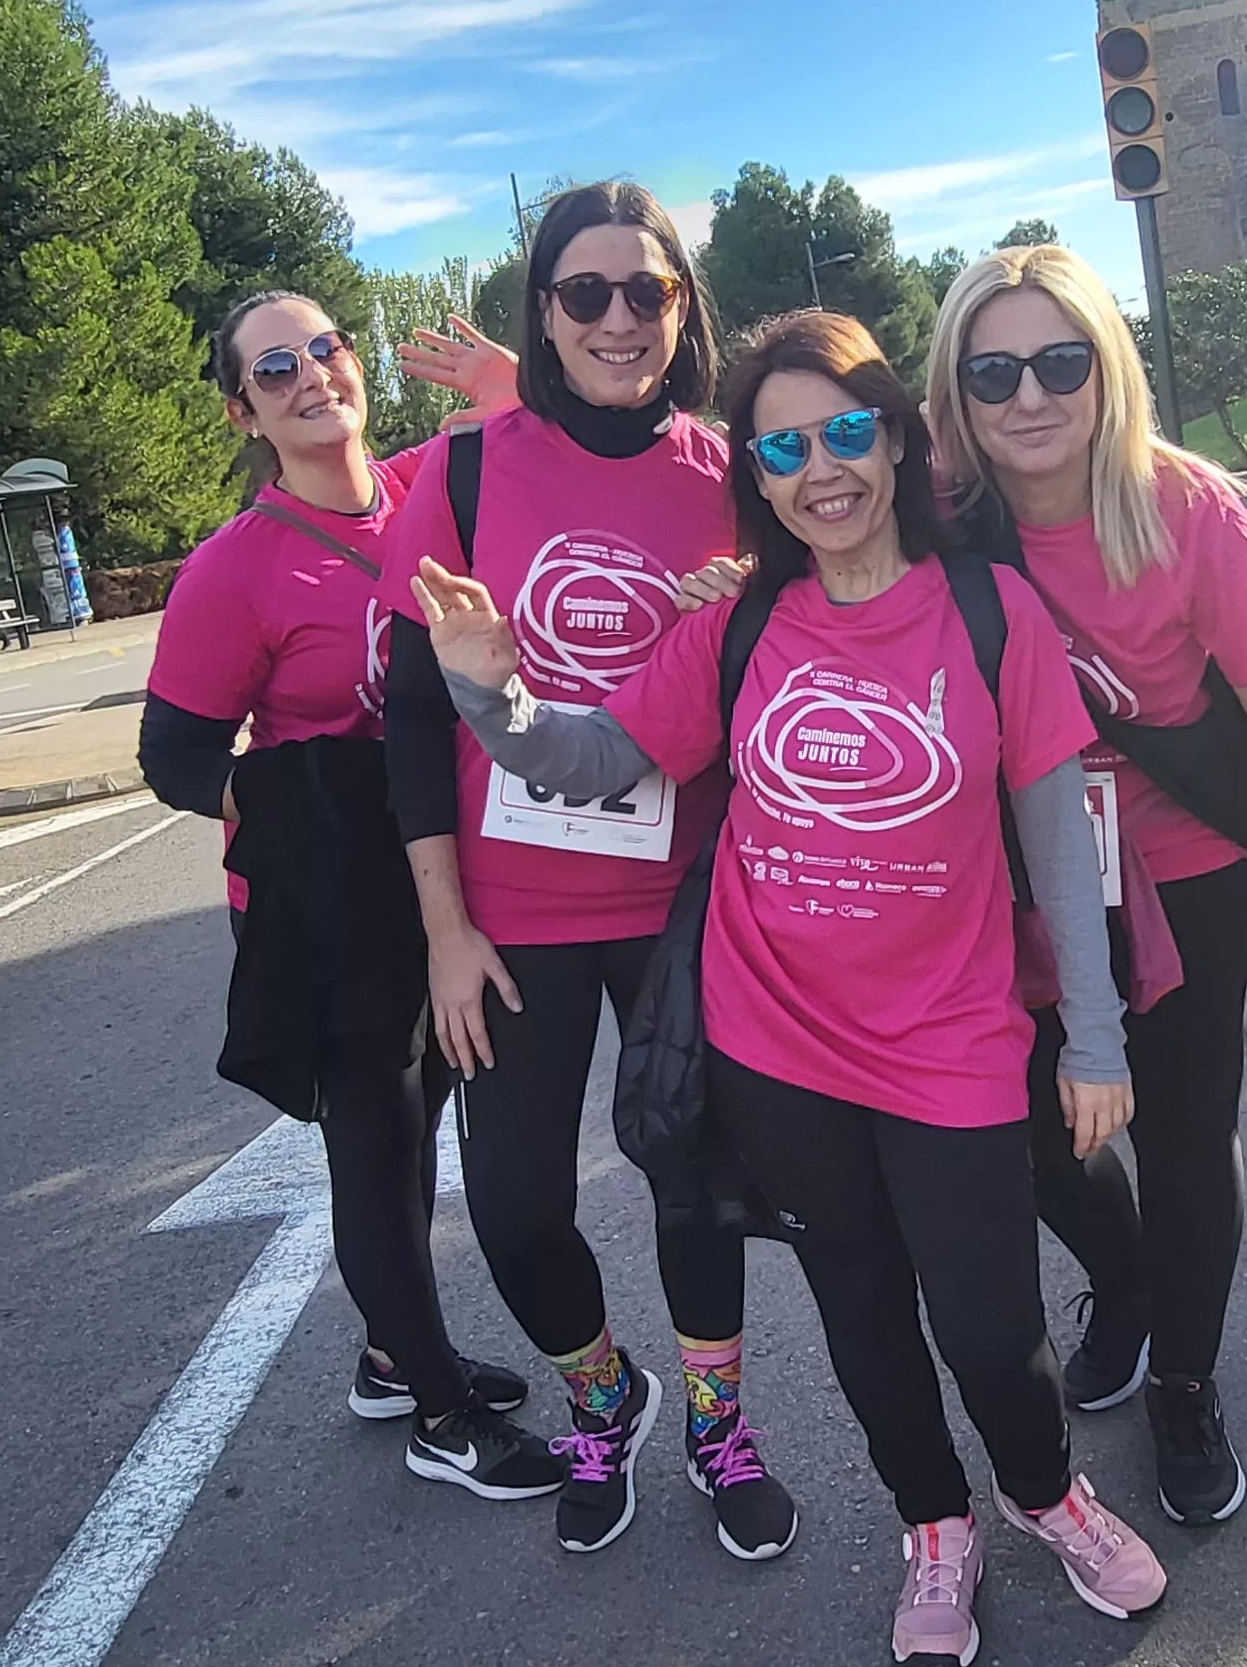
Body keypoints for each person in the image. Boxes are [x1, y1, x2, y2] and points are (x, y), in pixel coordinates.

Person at [415, 309, 1169, 1663]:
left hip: (952, 1044)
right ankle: (933, 1531)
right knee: (866, 1320)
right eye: (783, 447)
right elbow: (599, 763)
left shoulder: (993, 616)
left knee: (994, 1330)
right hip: (780, 1052)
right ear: (756, 478)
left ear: (893, 439)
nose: (821, 468)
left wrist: (1095, 1044)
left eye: (843, 433)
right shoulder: (742, 627)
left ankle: (1047, 1491)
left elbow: (1064, 852)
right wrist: (493, 698)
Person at [920, 243, 1247, 1526]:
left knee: (1184, 1142)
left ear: (1103, 366)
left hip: (1181, 880)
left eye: (1059, 361)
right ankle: (1127, 1282)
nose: (1029, 396)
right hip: (1014, 890)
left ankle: (1184, 1375)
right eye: (995, 368)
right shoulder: (943, 518)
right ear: (957, 389)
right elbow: (792, 484)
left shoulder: (1181, 509)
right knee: (1028, 1133)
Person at [376, 181, 794, 1561]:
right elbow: (417, 716)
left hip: (686, 895)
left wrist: (752, 618)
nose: (619, 319)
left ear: (684, 309)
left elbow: (816, 652)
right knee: (510, 1206)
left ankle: (719, 1424)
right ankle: (603, 1393)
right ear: (543, 312)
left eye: (648, 292)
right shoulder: (462, 472)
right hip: (514, 913)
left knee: (695, 1175)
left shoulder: (740, 469)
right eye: (585, 294)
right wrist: (441, 926)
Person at [137, 291, 564, 1500]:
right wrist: (298, 812)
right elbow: (175, 759)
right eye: (276, 369)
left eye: (326, 348)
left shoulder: (426, 486)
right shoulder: (234, 570)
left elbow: (552, 433)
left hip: (435, 876)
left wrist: (505, 378)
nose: (313, 374)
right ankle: (436, 1411)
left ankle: (391, 1354)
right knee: (374, 1147)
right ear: (244, 411)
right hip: (328, 899)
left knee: (419, 1124)